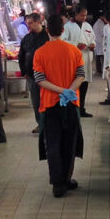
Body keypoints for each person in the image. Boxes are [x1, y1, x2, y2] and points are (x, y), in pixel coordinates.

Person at [32, 14, 85, 197]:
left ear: (47, 30)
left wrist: (59, 91)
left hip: (49, 104)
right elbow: (81, 75)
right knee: (69, 142)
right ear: (63, 31)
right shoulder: (74, 51)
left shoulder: (40, 53)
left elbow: (39, 80)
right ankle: (66, 178)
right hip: (71, 103)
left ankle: (57, 184)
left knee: (52, 143)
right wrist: (68, 91)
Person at [61, 4, 96, 117]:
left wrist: (92, 45)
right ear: (75, 15)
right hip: (73, 59)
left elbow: (93, 39)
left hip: (86, 57)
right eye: (82, 15)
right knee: (74, 85)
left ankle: (81, 109)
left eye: (85, 15)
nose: (84, 18)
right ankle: (72, 109)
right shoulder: (67, 27)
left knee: (84, 84)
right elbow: (62, 41)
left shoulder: (88, 26)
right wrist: (76, 45)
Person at [18, 12, 49, 134]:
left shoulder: (47, 37)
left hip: (46, 77)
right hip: (31, 76)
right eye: (27, 23)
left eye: (30, 23)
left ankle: (47, 124)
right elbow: (21, 56)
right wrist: (24, 71)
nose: (28, 26)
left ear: (38, 22)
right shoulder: (26, 38)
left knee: (47, 101)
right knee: (36, 102)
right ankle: (40, 123)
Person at [92, 9, 108, 80]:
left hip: (97, 41)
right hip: (100, 42)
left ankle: (99, 70)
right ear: (102, 17)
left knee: (98, 56)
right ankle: (101, 71)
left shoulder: (96, 23)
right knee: (102, 57)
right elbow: (103, 33)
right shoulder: (101, 23)